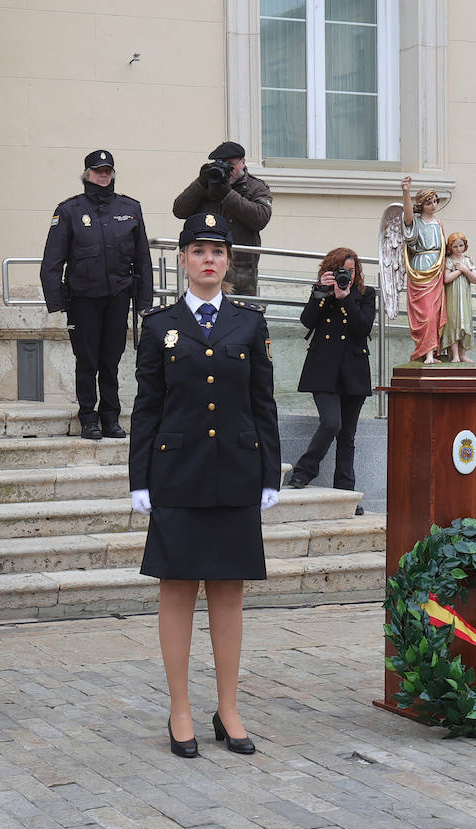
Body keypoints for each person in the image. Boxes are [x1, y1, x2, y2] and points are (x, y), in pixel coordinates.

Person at [128, 212, 282, 757]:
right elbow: (147, 407)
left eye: (218, 251)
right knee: (176, 589)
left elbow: (264, 403)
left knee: (228, 592)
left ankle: (229, 707)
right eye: (199, 251)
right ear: (184, 260)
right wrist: (139, 478)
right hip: (177, 475)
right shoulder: (158, 325)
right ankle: (180, 709)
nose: (209, 260)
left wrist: (270, 471)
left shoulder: (249, 324)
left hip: (236, 473)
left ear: (230, 262)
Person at [40, 149, 154, 441]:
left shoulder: (130, 208)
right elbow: (52, 261)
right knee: (87, 360)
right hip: (83, 299)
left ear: (113, 174)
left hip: (117, 297)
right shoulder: (69, 211)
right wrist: (58, 302)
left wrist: (144, 302)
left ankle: (111, 417)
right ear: (87, 175)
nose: (103, 175)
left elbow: (142, 258)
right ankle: (88, 418)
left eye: (107, 171)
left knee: (111, 360)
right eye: (97, 171)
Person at [285, 247, 376, 513]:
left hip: (354, 370)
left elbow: (363, 327)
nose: (347, 275)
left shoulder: (365, 295)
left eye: (352, 270)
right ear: (330, 270)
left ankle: (346, 496)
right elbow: (307, 321)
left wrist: (346, 298)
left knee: (347, 435)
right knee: (331, 423)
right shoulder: (321, 292)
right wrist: (320, 293)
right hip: (323, 369)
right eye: (342, 270)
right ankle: (304, 470)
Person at [172, 141, 273, 296]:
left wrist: (227, 194)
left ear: (243, 162)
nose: (228, 170)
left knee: (242, 316)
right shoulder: (207, 184)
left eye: (231, 164)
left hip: (241, 270)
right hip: (205, 265)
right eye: (222, 164)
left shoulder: (256, 187)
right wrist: (200, 184)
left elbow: (260, 219)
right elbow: (179, 210)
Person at [400, 176, 446, 363]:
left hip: (438, 269)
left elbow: (445, 247)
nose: (433, 205)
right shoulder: (417, 222)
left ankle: (433, 353)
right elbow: (408, 218)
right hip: (421, 269)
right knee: (425, 313)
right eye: (429, 202)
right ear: (422, 204)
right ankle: (425, 351)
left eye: (435, 201)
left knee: (435, 312)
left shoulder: (439, 223)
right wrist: (406, 192)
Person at [441, 231, 476, 363]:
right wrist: (459, 271)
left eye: (461, 246)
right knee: (454, 323)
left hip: (464, 298)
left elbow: (475, 279)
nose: (458, 249)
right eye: (455, 246)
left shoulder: (467, 260)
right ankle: (455, 354)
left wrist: (465, 269)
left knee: (465, 323)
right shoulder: (449, 261)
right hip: (453, 298)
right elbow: (446, 278)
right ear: (450, 247)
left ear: (465, 246)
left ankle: (463, 354)